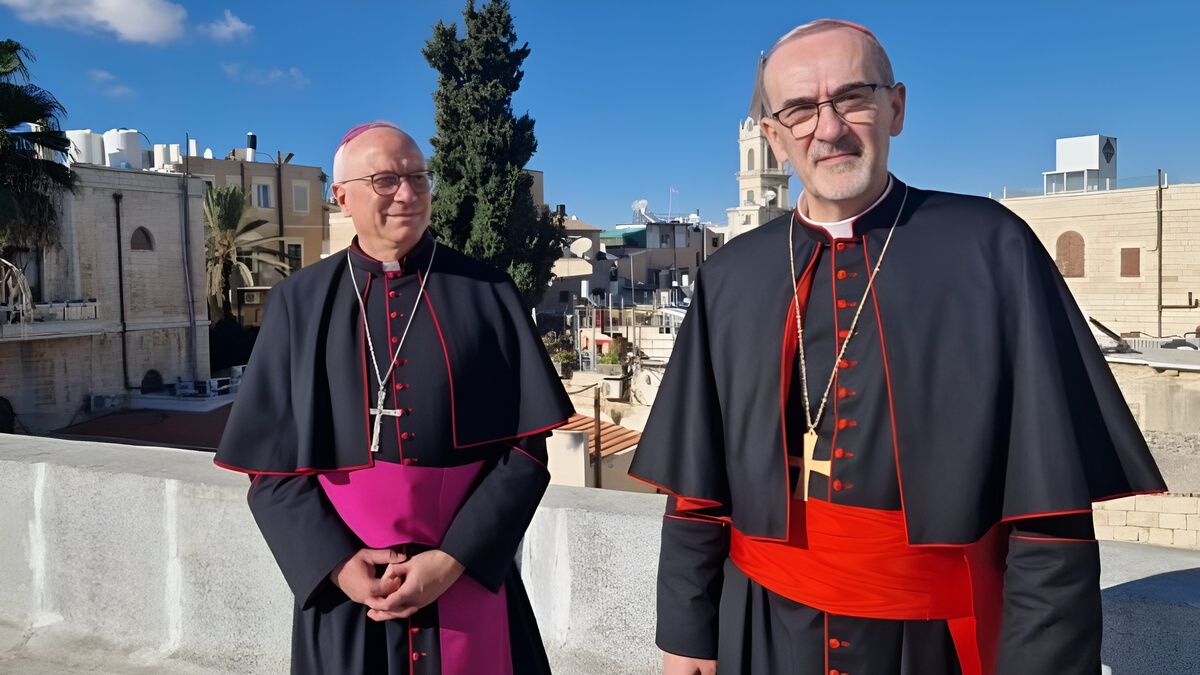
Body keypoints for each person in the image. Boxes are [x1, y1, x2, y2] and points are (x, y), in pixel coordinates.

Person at [629, 19, 1165, 675]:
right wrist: (686, 632)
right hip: (761, 629)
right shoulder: (728, 275)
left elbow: (1050, 515)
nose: (828, 128)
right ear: (773, 137)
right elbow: (695, 489)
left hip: (932, 641)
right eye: (799, 109)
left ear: (897, 107)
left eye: (852, 97)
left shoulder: (992, 249)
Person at [214, 121, 573, 674]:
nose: (406, 194)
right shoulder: (297, 304)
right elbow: (270, 469)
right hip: (350, 589)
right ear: (342, 197)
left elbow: (526, 450)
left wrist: (453, 559)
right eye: (384, 180)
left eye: (418, 179)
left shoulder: (489, 291)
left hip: (466, 573)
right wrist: (336, 565)